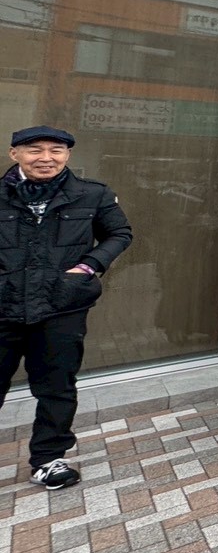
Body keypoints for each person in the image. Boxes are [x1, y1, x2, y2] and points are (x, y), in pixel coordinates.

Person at [0, 126, 133, 491]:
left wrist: (88, 267)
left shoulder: (92, 194)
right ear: (15, 154)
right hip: (3, 304)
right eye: (35, 150)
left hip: (61, 305)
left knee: (57, 387)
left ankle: (48, 459)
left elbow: (120, 233)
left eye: (56, 150)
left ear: (67, 155)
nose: (46, 158)